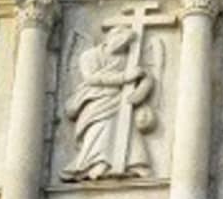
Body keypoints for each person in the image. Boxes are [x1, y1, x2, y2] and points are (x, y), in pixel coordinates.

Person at [61, 25, 156, 181]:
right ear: (109, 38)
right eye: (120, 42)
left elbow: (143, 78)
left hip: (122, 100)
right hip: (95, 98)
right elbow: (91, 78)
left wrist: (144, 85)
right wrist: (124, 77)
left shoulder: (127, 59)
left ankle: (133, 163)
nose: (122, 46)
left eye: (125, 44)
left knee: (127, 126)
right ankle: (96, 163)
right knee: (100, 128)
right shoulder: (90, 56)